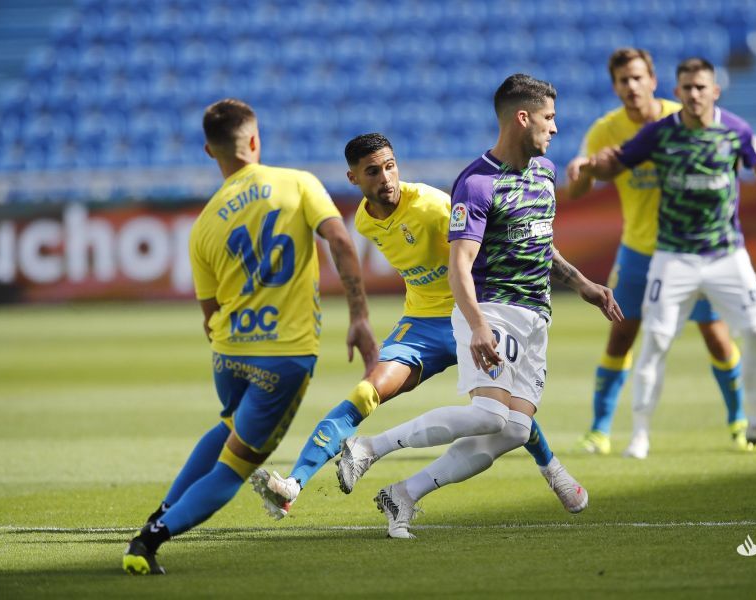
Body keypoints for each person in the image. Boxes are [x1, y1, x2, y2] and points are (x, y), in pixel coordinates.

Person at [339, 75, 622, 539]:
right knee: (490, 415)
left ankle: (403, 494)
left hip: (537, 316)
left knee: (512, 431)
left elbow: (537, 244)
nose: (556, 127)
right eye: (549, 118)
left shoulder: (546, 173)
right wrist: (477, 326)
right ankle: (369, 447)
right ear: (522, 117)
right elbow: (459, 266)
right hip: (495, 308)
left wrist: (582, 283)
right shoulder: (476, 183)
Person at [249, 133, 590, 516]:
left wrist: (570, 284)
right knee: (367, 393)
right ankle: (292, 485)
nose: (386, 178)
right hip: (424, 324)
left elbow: (495, 241)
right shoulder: (365, 220)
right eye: (373, 172)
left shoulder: (431, 206)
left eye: (390, 166)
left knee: (503, 412)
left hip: (475, 313)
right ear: (353, 179)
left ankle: (552, 469)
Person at [122, 98, 378, 575]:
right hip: (284, 357)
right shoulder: (298, 183)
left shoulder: (202, 226)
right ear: (255, 141)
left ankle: (161, 512)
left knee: (229, 425)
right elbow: (340, 241)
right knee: (235, 466)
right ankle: (149, 539)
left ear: (209, 151)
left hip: (229, 355)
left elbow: (209, 313)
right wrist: (359, 315)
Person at [582, 58, 756, 459]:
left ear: (715, 91)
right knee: (655, 341)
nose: (694, 94)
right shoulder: (659, 134)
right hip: (673, 256)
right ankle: (639, 435)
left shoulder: (735, 130)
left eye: (701, 87)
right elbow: (618, 163)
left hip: (725, 255)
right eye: (687, 88)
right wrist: (593, 165)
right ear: (676, 93)